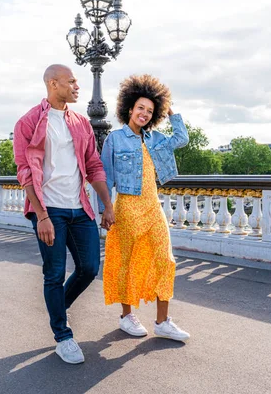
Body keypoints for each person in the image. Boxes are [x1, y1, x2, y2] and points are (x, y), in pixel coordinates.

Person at [13, 64, 115, 364]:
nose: (76, 86)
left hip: (79, 207)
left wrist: (107, 205)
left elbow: (94, 166)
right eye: (71, 81)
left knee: (89, 269)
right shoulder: (28, 122)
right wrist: (42, 215)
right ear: (52, 83)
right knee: (54, 273)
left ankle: (58, 307)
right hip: (49, 210)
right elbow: (25, 173)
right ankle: (63, 334)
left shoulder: (81, 122)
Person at [99, 74, 190, 342]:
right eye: (141, 108)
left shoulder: (157, 139)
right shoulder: (114, 140)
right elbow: (104, 177)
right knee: (127, 262)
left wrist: (170, 109)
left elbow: (182, 138)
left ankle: (163, 322)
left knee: (165, 260)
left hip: (153, 207)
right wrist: (106, 208)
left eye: (151, 111)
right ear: (129, 108)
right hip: (126, 207)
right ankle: (127, 316)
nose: (145, 114)